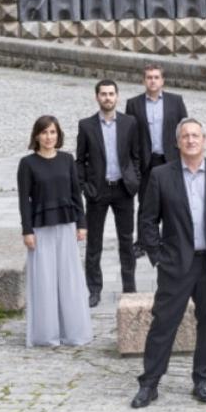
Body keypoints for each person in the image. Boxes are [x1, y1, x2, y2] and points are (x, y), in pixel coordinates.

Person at [131, 118, 206, 408]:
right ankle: (150, 383)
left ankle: (202, 381)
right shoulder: (160, 175)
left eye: (196, 135)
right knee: (163, 323)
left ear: (205, 140)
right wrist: (158, 256)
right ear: (177, 142)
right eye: (185, 136)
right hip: (176, 263)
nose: (191, 140)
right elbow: (147, 221)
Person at [17, 116, 92, 348]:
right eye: (44, 132)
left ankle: (73, 332)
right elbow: (24, 201)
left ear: (58, 135)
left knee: (70, 279)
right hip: (40, 227)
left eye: (53, 132)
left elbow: (75, 194)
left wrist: (82, 223)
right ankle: (46, 334)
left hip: (66, 224)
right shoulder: (28, 164)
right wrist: (27, 230)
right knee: (45, 280)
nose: (49, 137)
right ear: (36, 136)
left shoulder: (67, 159)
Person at [76, 79, 141, 307]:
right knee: (94, 243)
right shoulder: (86, 126)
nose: (107, 98)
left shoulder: (129, 123)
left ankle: (129, 287)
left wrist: (135, 181)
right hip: (98, 191)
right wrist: (85, 187)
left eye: (111, 94)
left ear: (117, 96)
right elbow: (80, 160)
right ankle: (94, 289)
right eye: (103, 94)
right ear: (97, 97)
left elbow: (136, 156)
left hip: (123, 189)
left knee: (126, 241)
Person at [125, 64, 188, 256]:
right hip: (146, 161)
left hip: (169, 159)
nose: (152, 80)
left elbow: (184, 129)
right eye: (149, 77)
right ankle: (143, 241)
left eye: (156, 77)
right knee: (145, 203)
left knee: (172, 200)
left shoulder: (175, 101)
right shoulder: (133, 104)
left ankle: (173, 238)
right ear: (144, 81)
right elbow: (129, 134)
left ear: (162, 80)